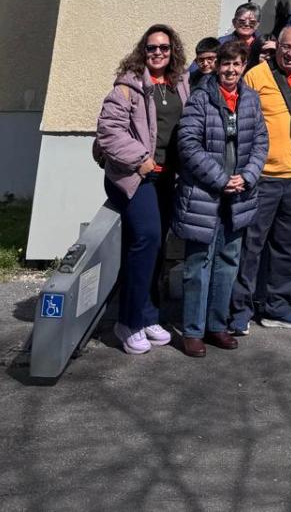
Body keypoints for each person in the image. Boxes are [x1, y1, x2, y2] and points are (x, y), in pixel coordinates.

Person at [95, 24, 190, 355]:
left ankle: (148, 315)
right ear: (143, 51)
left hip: (167, 178)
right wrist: (140, 159)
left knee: (157, 247)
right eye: (152, 48)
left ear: (173, 51)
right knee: (146, 239)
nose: (158, 53)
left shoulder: (180, 83)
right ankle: (128, 321)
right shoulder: (128, 86)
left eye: (164, 47)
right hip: (135, 176)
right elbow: (109, 130)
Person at [173, 40, 269, 357]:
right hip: (204, 195)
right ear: (217, 66)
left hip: (238, 196)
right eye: (225, 63)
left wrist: (248, 176)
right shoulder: (201, 97)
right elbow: (188, 144)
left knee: (228, 262)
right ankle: (192, 330)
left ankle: (216, 326)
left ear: (244, 66)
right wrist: (220, 179)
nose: (230, 70)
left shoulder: (251, 99)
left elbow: (261, 143)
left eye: (236, 64)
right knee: (198, 264)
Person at [229, 25, 291, 332]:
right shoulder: (255, 76)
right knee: (250, 247)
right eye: (286, 47)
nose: (290, 53)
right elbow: (243, 124)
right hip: (262, 178)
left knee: (288, 248)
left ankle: (277, 307)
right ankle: (240, 310)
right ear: (276, 47)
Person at [220, 3, 267, 68]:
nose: (247, 24)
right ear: (234, 22)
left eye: (252, 22)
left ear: (257, 25)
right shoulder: (222, 43)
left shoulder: (265, 43)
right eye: (242, 21)